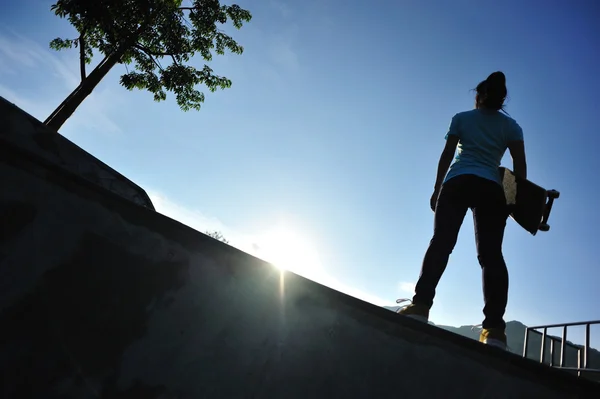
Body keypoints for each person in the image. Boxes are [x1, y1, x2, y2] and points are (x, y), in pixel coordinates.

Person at [397, 71, 527, 350]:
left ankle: (420, 307)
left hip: (457, 182)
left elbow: (446, 155)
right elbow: (520, 168)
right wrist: (513, 202)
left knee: (442, 243)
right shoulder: (512, 126)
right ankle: (494, 331)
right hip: (492, 189)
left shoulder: (461, 118)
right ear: (502, 99)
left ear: (478, 96)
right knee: (491, 255)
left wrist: (436, 188)